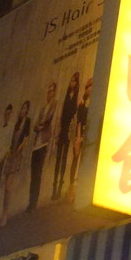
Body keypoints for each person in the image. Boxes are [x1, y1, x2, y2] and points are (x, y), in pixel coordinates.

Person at [0, 100, 31, 227]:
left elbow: (26, 138)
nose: (23, 110)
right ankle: (4, 211)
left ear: (27, 110)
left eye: (25, 108)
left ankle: (5, 214)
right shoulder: (16, 123)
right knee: (6, 187)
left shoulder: (27, 122)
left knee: (8, 186)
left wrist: (19, 148)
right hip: (10, 154)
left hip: (17, 155)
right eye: (22, 108)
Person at [28, 82, 57, 212]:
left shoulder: (53, 105)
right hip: (36, 143)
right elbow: (36, 126)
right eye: (48, 91)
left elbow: (47, 120)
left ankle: (34, 203)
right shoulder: (42, 109)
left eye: (52, 91)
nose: (49, 94)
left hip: (44, 142)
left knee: (38, 173)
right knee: (33, 173)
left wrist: (40, 126)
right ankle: (30, 202)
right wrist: (38, 126)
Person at [51, 72, 80, 200]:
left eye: (74, 81)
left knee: (63, 158)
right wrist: (58, 132)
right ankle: (54, 186)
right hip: (63, 128)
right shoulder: (67, 96)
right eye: (71, 81)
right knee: (58, 158)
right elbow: (62, 114)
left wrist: (71, 132)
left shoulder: (76, 98)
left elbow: (74, 116)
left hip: (69, 130)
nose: (72, 83)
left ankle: (60, 185)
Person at [68, 76, 93, 203]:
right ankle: (72, 189)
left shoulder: (96, 104)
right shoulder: (82, 104)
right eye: (88, 86)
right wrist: (78, 137)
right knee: (77, 161)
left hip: (91, 136)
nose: (89, 89)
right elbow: (79, 122)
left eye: (91, 86)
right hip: (81, 135)